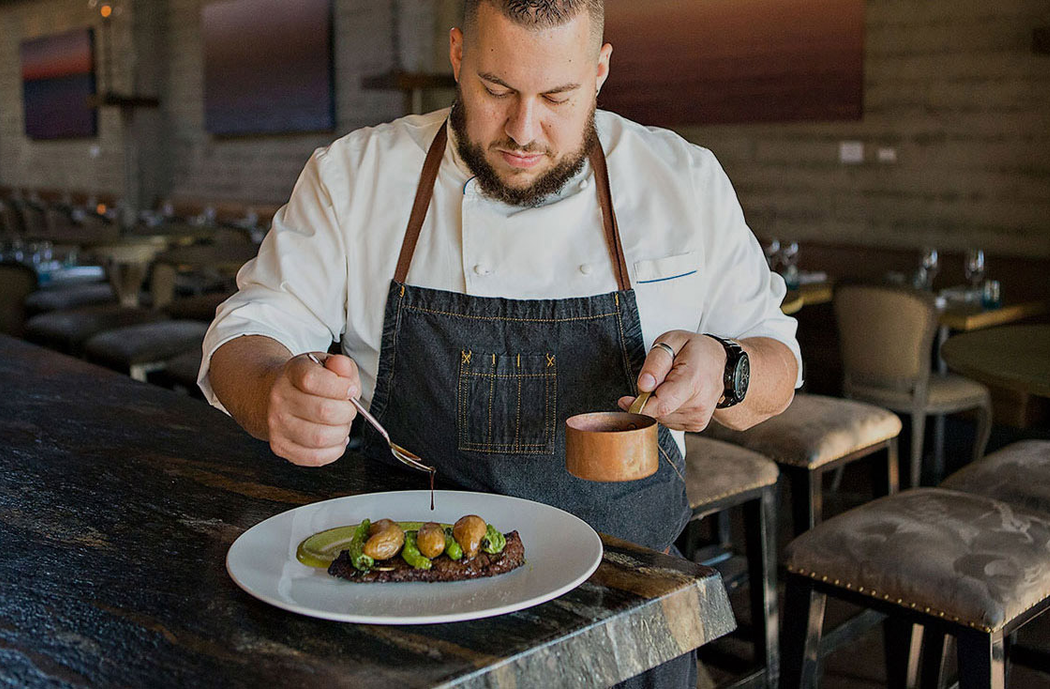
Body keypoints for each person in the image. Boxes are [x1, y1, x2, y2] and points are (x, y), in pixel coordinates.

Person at [202, 1, 800, 685]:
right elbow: (246, 333)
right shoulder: (355, 177)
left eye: (557, 97)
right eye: (496, 89)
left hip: (625, 604)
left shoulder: (683, 183)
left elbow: (777, 362)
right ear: (457, 55)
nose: (523, 129)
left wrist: (729, 371)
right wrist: (273, 391)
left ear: (600, 72)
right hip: (403, 599)